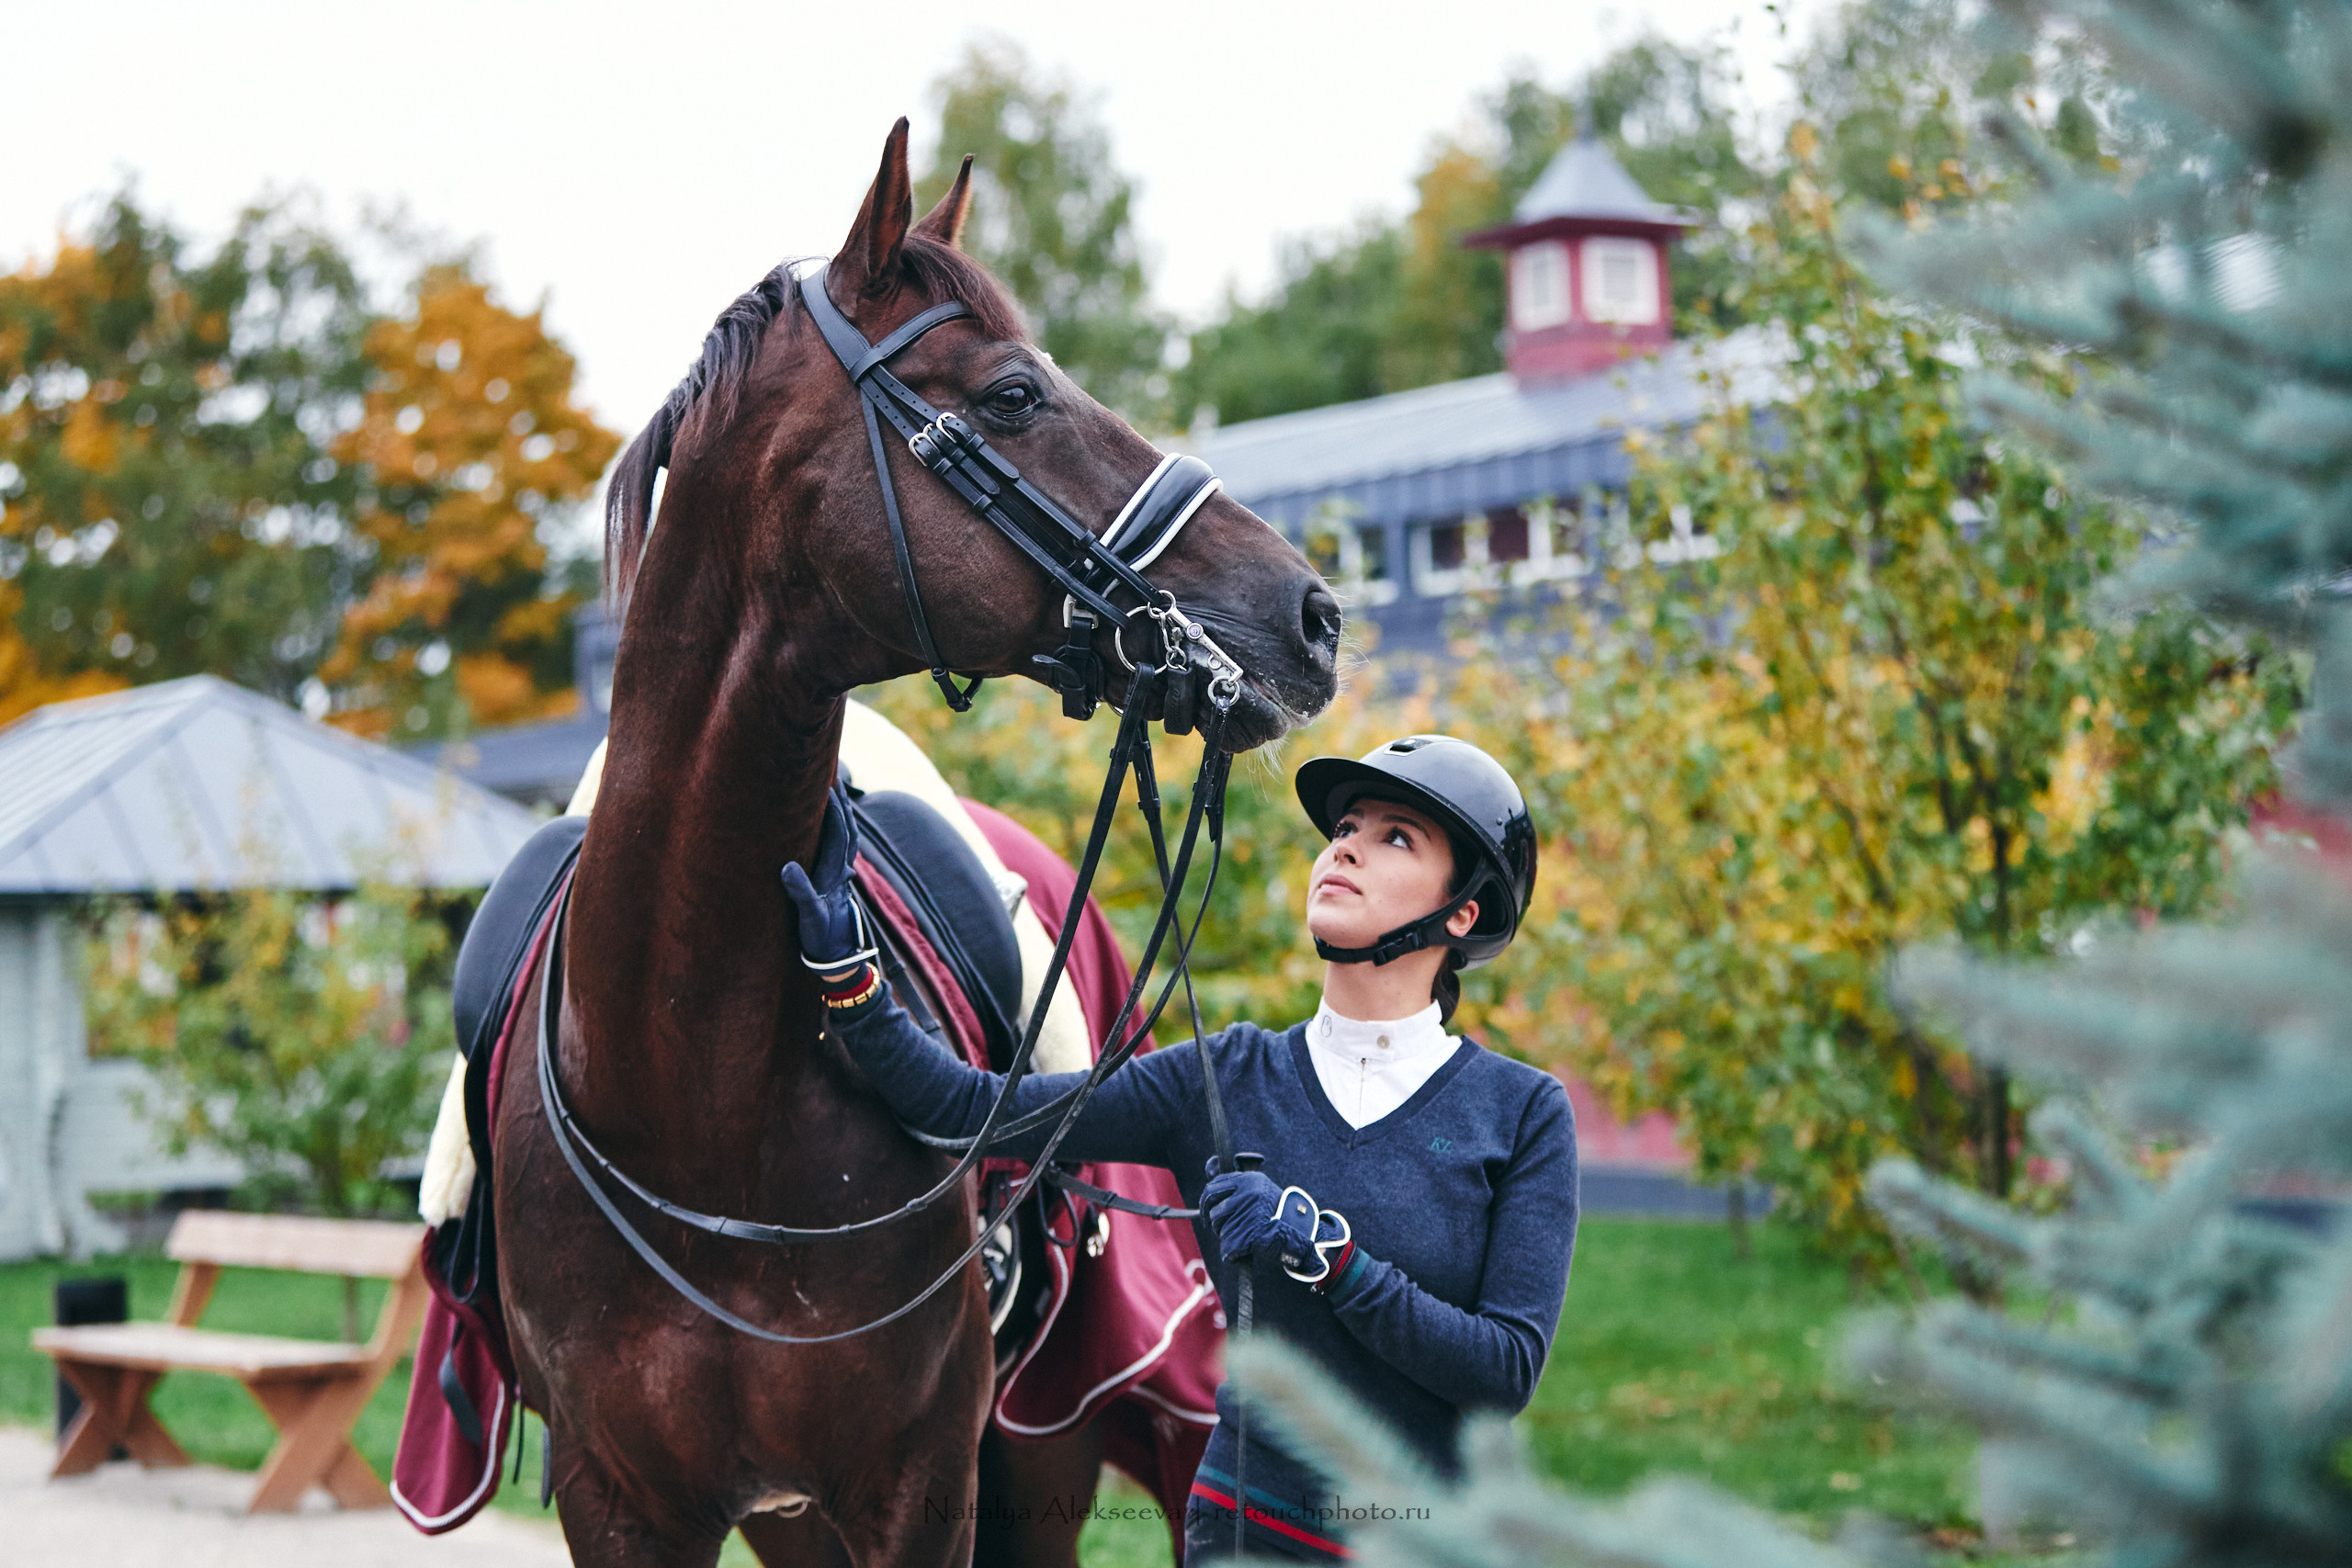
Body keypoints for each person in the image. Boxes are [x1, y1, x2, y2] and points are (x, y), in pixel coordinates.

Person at [785, 735, 1577, 1562]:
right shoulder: (1225, 1073)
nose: (1345, 845)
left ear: (1463, 913)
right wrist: (853, 979)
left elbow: (1503, 1370)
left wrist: (1328, 1255)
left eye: (1396, 836)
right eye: (1347, 824)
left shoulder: (1522, 1113)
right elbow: (973, 1111)